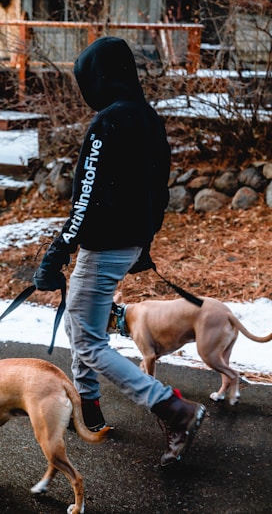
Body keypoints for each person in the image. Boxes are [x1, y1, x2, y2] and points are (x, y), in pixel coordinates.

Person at [33, 36, 205, 466]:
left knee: (88, 341)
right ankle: (88, 408)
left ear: (101, 78)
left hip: (105, 244)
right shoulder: (148, 119)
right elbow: (157, 190)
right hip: (127, 244)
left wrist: (57, 253)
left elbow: (86, 196)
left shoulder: (108, 122)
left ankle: (173, 408)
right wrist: (143, 241)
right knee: (81, 325)